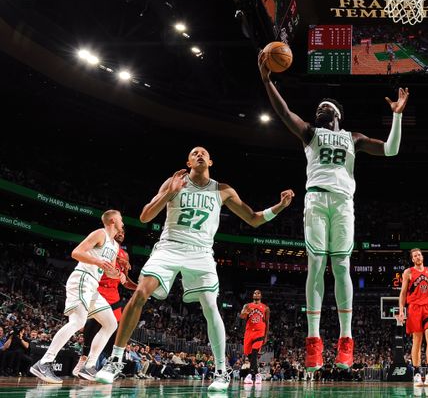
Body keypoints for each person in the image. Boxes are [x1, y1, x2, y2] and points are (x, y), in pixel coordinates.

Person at [95, 146, 294, 390]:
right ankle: (115, 360)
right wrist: (170, 192)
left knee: (211, 306)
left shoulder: (223, 190)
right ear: (188, 162)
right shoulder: (174, 182)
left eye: (203, 152)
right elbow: (146, 216)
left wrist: (280, 207)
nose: (199, 154)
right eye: (194, 153)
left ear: (210, 161)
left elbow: (253, 218)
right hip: (169, 246)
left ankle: (222, 371)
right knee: (140, 293)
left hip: (201, 252)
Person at [259, 59, 408, 372]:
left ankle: (346, 340)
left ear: (337, 114)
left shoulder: (354, 137)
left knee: (341, 265)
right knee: (316, 264)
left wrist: (397, 116)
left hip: (342, 202)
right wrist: (267, 80)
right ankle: (313, 341)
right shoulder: (310, 133)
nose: (319, 110)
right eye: (317, 109)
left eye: (324, 107)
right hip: (315, 199)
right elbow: (284, 112)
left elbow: (392, 150)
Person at [30, 210, 124, 383]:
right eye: (121, 219)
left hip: (93, 285)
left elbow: (108, 271)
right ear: (112, 220)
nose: (123, 223)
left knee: (111, 323)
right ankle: (44, 362)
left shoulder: (115, 246)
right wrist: (96, 262)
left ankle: (89, 366)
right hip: (82, 279)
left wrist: (118, 275)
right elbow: (76, 252)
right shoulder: (100, 233)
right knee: (78, 322)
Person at [73, 227, 137, 376]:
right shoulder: (103, 244)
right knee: (92, 324)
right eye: (119, 231)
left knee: (115, 329)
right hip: (98, 287)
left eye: (123, 233)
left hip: (113, 294)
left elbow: (124, 280)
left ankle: (108, 364)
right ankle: (83, 359)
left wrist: (139, 288)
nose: (121, 234)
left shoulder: (124, 254)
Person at [397, 248, 428, 386]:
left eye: (419, 254)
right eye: (415, 256)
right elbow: (403, 293)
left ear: (422, 257)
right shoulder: (408, 272)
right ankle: (416, 373)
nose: (418, 257)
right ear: (412, 259)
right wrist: (402, 311)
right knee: (417, 340)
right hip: (414, 308)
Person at [241, 289, 270, 385]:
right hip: (249, 332)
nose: (256, 294)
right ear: (252, 295)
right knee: (249, 354)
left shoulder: (265, 308)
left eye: (258, 293)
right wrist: (246, 312)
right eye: (254, 293)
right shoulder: (247, 305)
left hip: (259, 332)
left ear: (261, 296)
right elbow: (242, 317)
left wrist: (266, 336)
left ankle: (250, 374)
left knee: (254, 352)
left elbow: (267, 322)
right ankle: (257, 374)